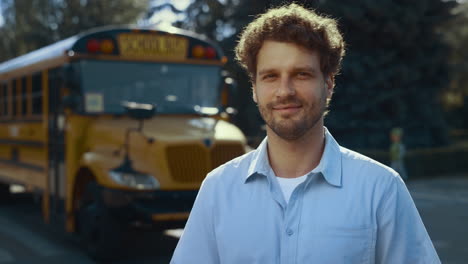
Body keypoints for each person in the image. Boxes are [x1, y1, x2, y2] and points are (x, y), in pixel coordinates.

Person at [171, 3, 440, 263]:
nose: (285, 91)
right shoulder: (218, 189)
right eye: (270, 76)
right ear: (254, 88)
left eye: (301, 74)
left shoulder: (381, 189)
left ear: (329, 83)